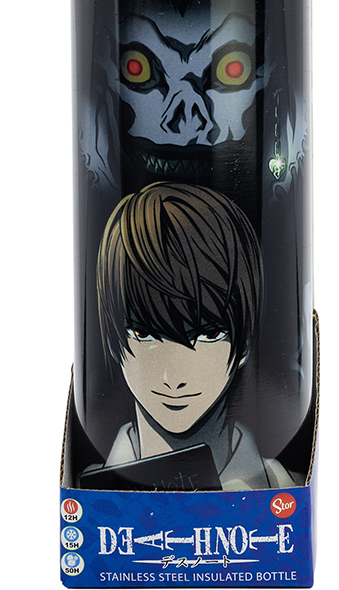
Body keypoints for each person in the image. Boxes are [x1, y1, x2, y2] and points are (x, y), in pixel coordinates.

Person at [89, 182, 295, 491]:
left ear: (244, 344)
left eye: (209, 334)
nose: (172, 378)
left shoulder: (282, 488)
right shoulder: (91, 497)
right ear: (111, 339)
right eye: (143, 333)